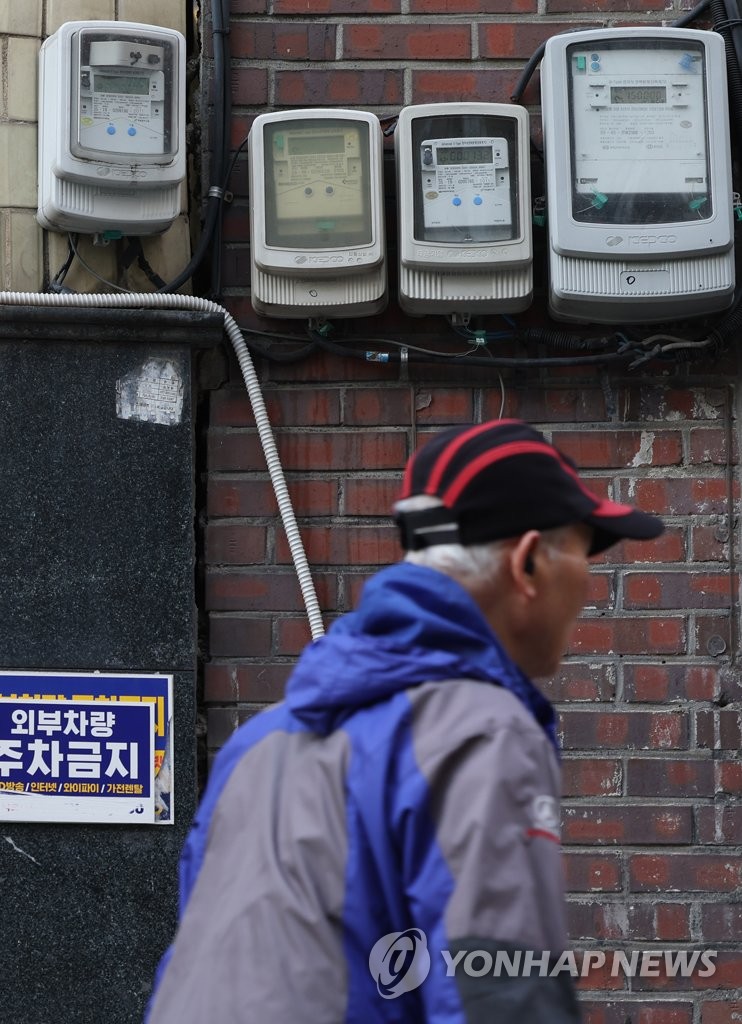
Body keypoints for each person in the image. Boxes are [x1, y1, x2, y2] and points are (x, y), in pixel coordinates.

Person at [145, 418, 663, 1023]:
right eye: (582, 551)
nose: (589, 583)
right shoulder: (481, 735)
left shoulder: (257, 745)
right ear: (527, 564)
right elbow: (500, 998)